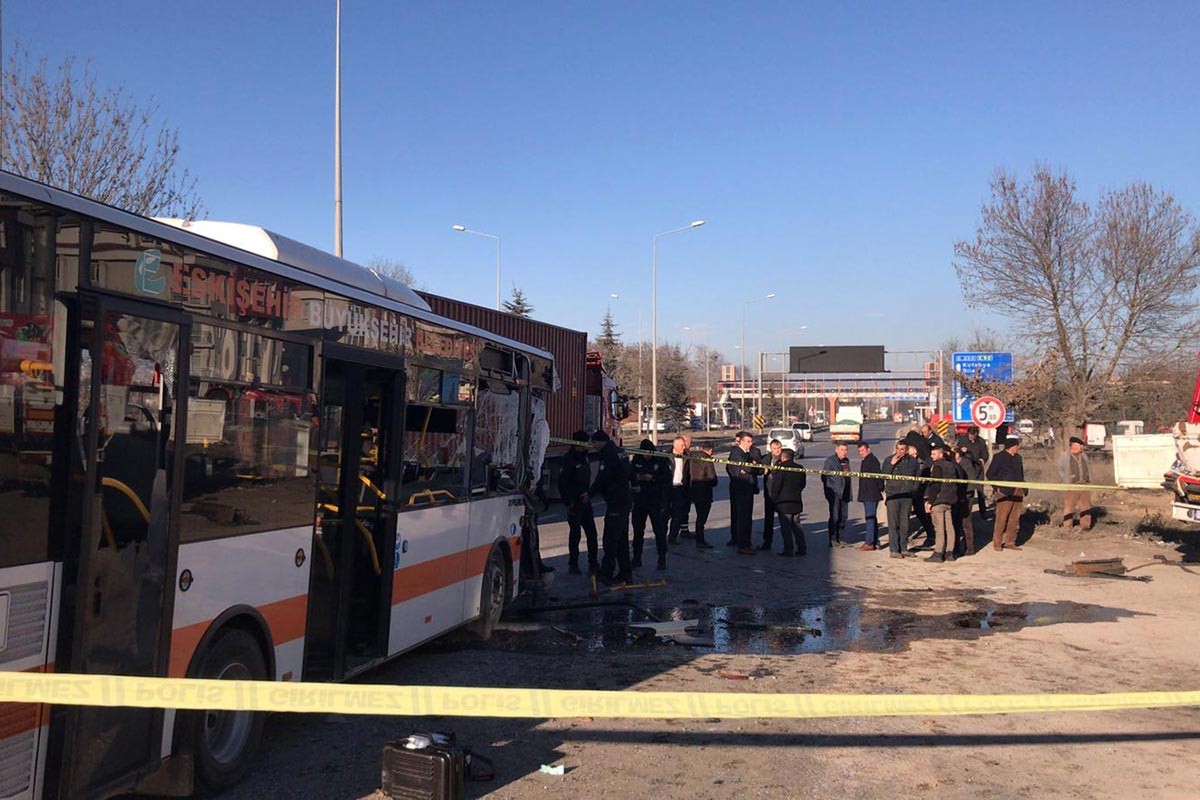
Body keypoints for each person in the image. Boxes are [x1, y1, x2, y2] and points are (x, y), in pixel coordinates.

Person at [590, 430, 633, 583]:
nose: (593, 446)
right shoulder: (621, 452)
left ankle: (606, 573)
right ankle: (625, 573)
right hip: (624, 499)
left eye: (594, 443)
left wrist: (589, 494)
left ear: (602, 441)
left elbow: (602, 478)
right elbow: (630, 471)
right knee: (621, 539)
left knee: (610, 540)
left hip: (616, 501)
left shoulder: (609, 455)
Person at [558, 430, 598, 575]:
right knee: (575, 534)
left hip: (585, 501)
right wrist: (568, 503)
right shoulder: (569, 459)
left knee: (592, 534)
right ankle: (573, 564)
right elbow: (562, 483)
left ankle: (593, 563)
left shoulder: (584, 457)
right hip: (574, 502)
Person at [630, 438, 671, 571]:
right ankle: (636, 558)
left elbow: (667, 478)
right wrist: (636, 480)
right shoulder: (637, 459)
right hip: (640, 500)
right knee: (637, 531)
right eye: (644, 453)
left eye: (648, 453)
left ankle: (662, 559)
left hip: (656, 500)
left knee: (659, 532)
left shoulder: (660, 460)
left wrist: (653, 478)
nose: (646, 456)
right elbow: (629, 474)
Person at [986, 435, 1026, 551]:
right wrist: (997, 487)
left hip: (1018, 491)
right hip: (1004, 492)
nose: (1018, 448)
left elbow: (1021, 474)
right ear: (1012, 446)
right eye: (1016, 446)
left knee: (1014, 518)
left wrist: (1024, 487)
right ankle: (997, 542)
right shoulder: (999, 457)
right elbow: (990, 474)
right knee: (1002, 518)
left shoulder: (1018, 458)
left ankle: (1010, 541)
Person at [881, 439, 919, 558]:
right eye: (898, 449)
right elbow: (883, 475)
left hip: (907, 495)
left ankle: (904, 548)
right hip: (893, 495)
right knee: (893, 524)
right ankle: (894, 549)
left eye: (902, 449)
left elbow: (917, 476)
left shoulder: (912, 461)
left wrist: (913, 489)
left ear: (906, 450)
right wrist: (892, 463)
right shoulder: (889, 459)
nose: (899, 452)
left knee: (905, 523)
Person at [767, 447, 807, 556]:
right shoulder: (800, 468)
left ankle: (788, 550)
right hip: (796, 501)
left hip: (784, 503)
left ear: (783, 457)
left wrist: (773, 499)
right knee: (797, 526)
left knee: (786, 528)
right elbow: (803, 485)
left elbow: (776, 486)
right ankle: (802, 548)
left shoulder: (780, 468)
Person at [726, 431, 760, 554]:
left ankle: (742, 540)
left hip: (746, 488)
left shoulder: (748, 453)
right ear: (740, 441)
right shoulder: (737, 453)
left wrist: (750, 468)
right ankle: (743, 545)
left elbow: (753, 469)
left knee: (744, 516)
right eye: (747, 441)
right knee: (743, 517)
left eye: (751, 441)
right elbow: (748, 468)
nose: (750, 444)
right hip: (741, 489)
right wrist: (751, 467)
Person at [923, 444, 958, 562]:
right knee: (950, 527)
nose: (932, 456)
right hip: (950, 499)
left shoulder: (938, 467)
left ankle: (938, 553)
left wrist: (930, 502)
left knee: (939, 528)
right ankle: (950, 553)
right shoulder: (951, 465)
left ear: (940, 454)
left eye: (934, 454)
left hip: (939, 500)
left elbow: (935, 486)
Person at [1058, 436, 1093, 530]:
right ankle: (1067, 526)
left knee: (1085, 506)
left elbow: (1088, 469)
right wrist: (1067, 479)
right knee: (1069, 506)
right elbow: (1060, 470)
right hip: (1071, 486)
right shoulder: (1064, 456)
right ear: (1073, 446)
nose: (1081, 447)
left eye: (1081, 446)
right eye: (1079, 445)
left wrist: (1089, 480)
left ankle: (1085, 526)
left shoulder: (1084, 455)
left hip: (1084, 485)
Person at [687, 441, 717, 549]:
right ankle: (700, 540)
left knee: (699, 515)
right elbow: (712, 478)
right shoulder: (707, 460)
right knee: (702, 518)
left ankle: (698, 537)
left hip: (693, 490)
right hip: (705, 492)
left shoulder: (692, 458)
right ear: (710, 450)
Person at [821, 442, 852, 547]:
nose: (844, 452)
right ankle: (833, 538)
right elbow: (824, 477)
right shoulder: (830, 461)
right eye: (842, 450)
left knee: (843, 516)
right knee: (835, 516)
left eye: (846, 450)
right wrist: (830, 491)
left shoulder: (846, 461)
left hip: (845, 492)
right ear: (837, 450)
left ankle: (841, 538)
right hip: (834, 493)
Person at [856, 441, 884, 551]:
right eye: (859, 451)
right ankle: (874, 540)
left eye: (863, 450)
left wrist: (879, 489)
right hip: (867, 494)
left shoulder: (872, 461)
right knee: (872, 518)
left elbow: (879, 477)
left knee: (870, 518)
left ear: (868, 449)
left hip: (871, 494)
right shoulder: (867, 460)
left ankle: (869, 542)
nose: (861, 453)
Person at [958, 425, 990, 518]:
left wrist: (982, 460)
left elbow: (985, 454)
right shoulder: (963, 440)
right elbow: (957, 452)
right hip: (966, 469)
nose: (971, 437)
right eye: (970, 435)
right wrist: (961, 451)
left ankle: (983, 512)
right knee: (968, 491)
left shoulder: (981, 441)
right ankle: (966, 511)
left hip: (978, 468)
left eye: (973, 435)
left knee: (980, 491)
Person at [758, 438, 783, 550]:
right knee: (769, 518)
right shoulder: (765, 458)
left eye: (779, 448)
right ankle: (767, 541)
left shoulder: (784, 458)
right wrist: (762, 470)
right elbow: (758, 471)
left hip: (782, 493)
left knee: (785, 519)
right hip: (769, 492)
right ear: (770, 449)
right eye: (775, 448)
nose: (777, 450)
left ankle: (788, 543)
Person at [666, 436, 692, 545]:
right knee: (665, 514)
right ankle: (661, 535)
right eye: (682, 445)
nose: (684, 447)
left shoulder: (686, 456)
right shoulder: (665, 456)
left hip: (680, 488)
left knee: (678, 514)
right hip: (668, 489)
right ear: (675, 445)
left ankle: (673, 537)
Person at [952, 448, 976, 556]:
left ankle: (969, 547)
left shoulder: (967, 465)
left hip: (965, 497)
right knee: (956, 523)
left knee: (966, 523)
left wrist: (966, 496)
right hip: (957, 496)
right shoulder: (954, 464)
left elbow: (971, 482)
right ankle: (956, 546)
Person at [678, 433, 695, 538]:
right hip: (678, 486)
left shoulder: (688, 454)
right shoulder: (673, 453)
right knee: (675, 510)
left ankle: (684, 530)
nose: (690, 444)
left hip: (687, 487)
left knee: (685, 509)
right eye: (689, 442)